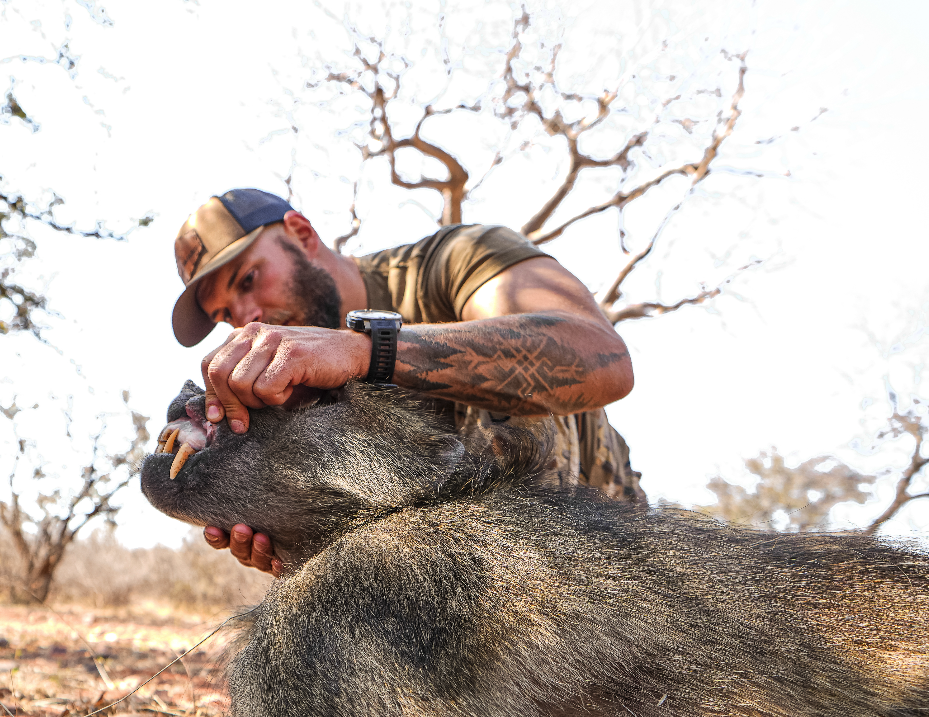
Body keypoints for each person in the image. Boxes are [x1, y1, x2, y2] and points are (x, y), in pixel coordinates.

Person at [172, 188, 643, 574]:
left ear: (301, 233)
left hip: (609, 546)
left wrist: (365, 351)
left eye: (249, 279)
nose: (245, 316)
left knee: (510, 398)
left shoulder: (450, 262)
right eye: (225, 315)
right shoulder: (286, 391)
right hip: (455, 589)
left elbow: (601, 357)